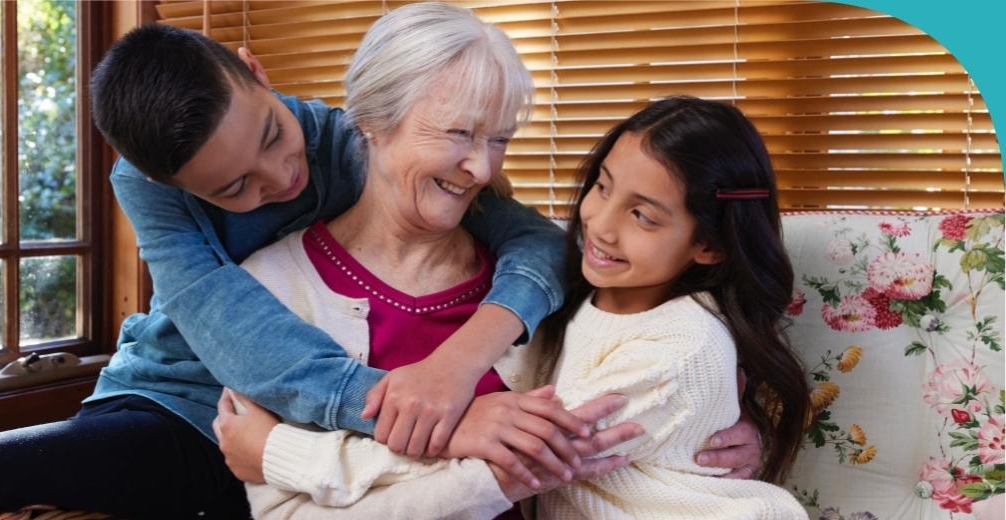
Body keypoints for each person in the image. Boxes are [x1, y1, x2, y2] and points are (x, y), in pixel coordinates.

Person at [0, 14, 762, 519]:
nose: (281, 179)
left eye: (272, 136)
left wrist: (699, 430)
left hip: (302, 442)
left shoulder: (358, 143)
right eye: (233, 187)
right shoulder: (162, 197)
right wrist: (439, 420)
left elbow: (548, 246)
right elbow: (246, 342)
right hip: (184, 404)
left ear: (260, 75)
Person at [209, 5, 786, 519]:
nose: (483, 171)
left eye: (500, 140)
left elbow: (654, 377)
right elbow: (285, 510)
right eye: (460, 133)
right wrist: (477, 454)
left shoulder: (559, 272)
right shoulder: (269, 291)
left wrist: (722, 430)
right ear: (372, 120)